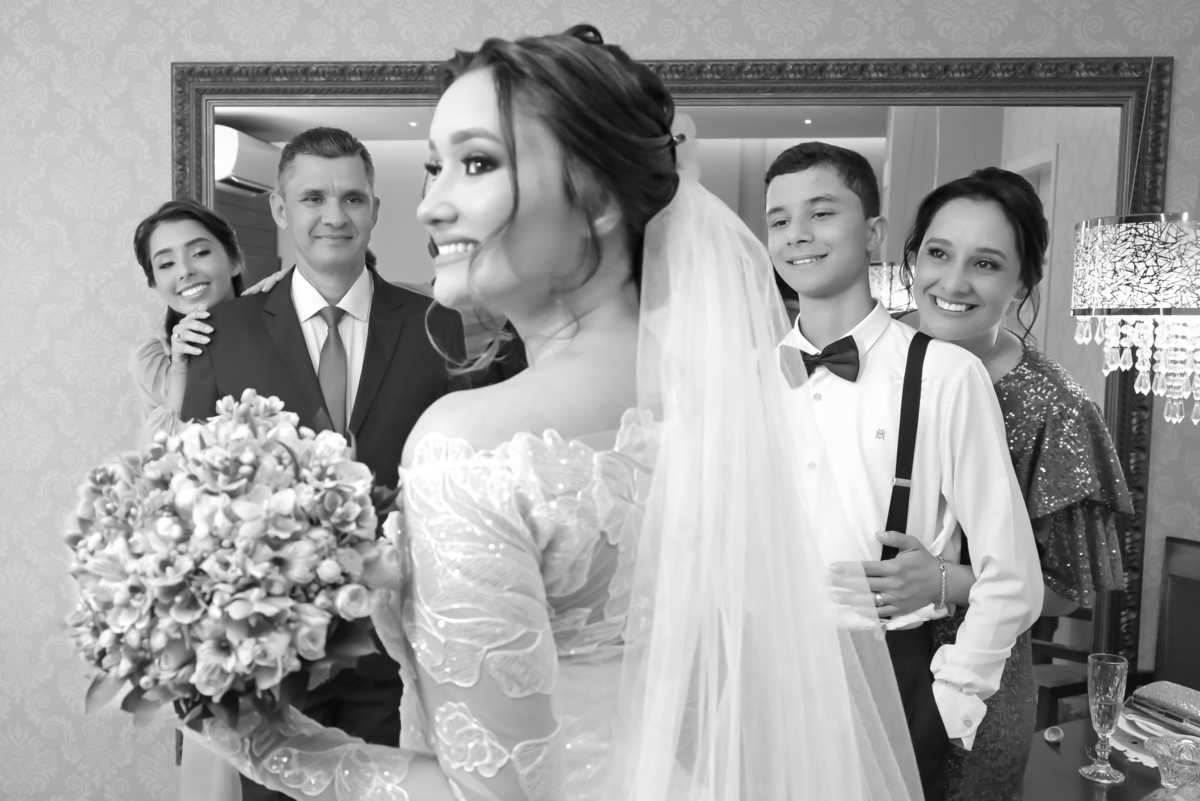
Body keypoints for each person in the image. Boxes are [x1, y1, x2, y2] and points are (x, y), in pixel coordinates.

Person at [183, 25, 922, 801]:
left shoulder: (467, 447)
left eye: (476, 163)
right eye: (434, 168)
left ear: (595, 198)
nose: (431, 205)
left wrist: (269, 741)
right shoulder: (726, 396)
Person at [179, 126, 467, 801]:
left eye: (352, 198)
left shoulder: (439, 325)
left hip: (404, 645)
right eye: (313, 198)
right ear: (280, 209)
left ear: (375, 209)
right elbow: (194, 493)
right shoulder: (222, 333)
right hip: (274, 653)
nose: (334, 216)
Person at [766, 143, 1043, 801]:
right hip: (767, 674)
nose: (797, 233)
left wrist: (952, 698)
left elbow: (1014, 576)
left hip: (891, 674)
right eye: (778, 220)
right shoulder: (749, 375)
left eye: (821, 213)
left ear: (874, 234)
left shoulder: (946, 374)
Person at [882, 167, 1133, 800]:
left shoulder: (1054, 407)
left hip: (977, 693)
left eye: (986, 263)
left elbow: (1066, 592)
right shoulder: (865, 356)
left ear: (1022, 281)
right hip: (852, 667)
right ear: (913, 258)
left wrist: (946, 581)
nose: (953, 282)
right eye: (938, 253)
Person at [129, 200, 247, 449]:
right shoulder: (154, 360)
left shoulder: (281, 327)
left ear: (234, 260)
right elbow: (161, 460)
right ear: (154, 283)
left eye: (200, 253)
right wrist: (180, 371)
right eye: (166, 264)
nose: (184, 271)